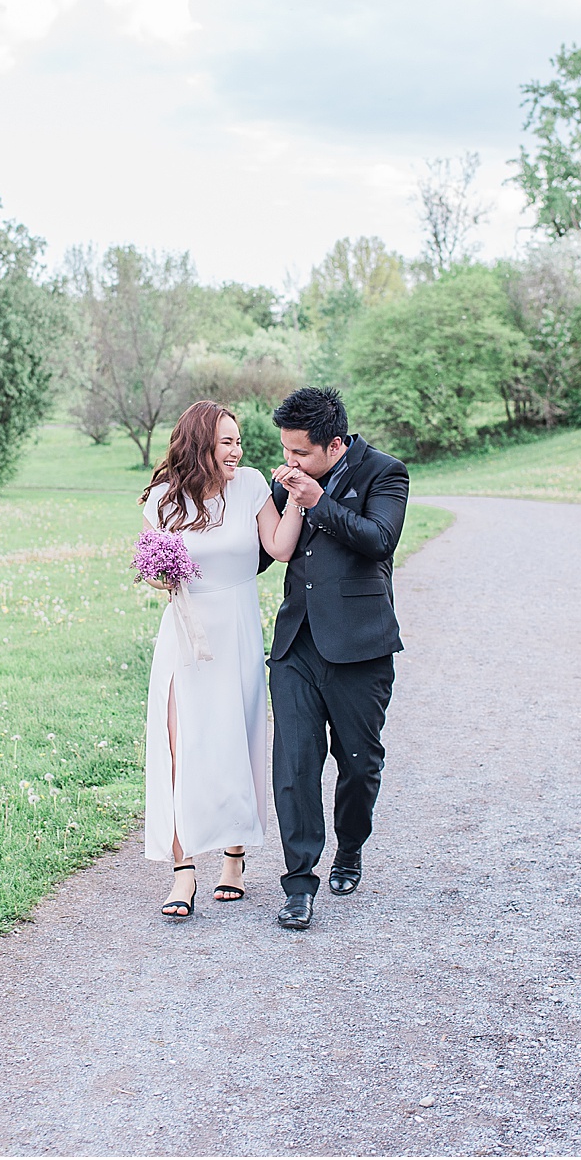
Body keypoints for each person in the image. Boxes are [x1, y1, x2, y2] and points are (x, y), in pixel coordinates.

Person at [141, 401, 306, 919]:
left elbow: (278, 548)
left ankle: (233, 859)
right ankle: (182, 872)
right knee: (179, 747)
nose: (237, 451)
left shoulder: (253, 486)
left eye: (238, 441)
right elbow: (149, 565)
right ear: (199, 446)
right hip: (185, 636)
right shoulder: (164, 500)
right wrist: (159, 574)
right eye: (227, 442)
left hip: (235, 629)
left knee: (240, 739)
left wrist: (298, 496)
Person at [258, 387, 409, 931]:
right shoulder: (288, 482)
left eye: (299, 452)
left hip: (359, 646)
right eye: (285, 450)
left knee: (359, 765)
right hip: (296, 644)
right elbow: (264, 550)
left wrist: (318, 500)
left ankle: (350, 849)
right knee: (294, 765)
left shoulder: (385, 473)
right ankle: (299, 883)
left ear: (335, 445)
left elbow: (379, 540)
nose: (288, 462)